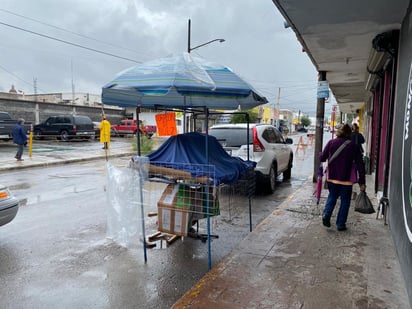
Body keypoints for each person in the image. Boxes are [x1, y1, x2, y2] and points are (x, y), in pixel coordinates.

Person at [319, 124, 366, 231]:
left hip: (333, 177)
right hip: (347, 180)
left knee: (332, 197)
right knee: (345, 201)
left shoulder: (331, 143)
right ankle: (340, 224)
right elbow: (360, 165)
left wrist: (320, 154)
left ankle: (326, 214)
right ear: (350, 133)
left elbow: (322, 158)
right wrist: (362, 181)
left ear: (339, 132)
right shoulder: (354, 146)